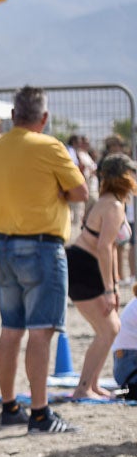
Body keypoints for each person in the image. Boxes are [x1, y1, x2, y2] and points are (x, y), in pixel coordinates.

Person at [0, 86, 88, 433]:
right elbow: (80, 192)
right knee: (41, 332)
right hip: (42, 246)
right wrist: (57, 191)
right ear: (44, 118)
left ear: (14, 114)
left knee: (10, 330)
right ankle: (41, 413)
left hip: (4, 246)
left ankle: (9, 406)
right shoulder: (49, 146)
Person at [65, 154, 137, 399]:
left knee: (109, 329)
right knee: (108, 329)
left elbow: (112, 248)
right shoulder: (113, 205)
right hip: (84, 267)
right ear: (123, 177)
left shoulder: (113, 201)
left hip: (88, 266)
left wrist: (114, 284)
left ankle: (91, 385)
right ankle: (83, 388)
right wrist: (109, 290)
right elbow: (105, 247)